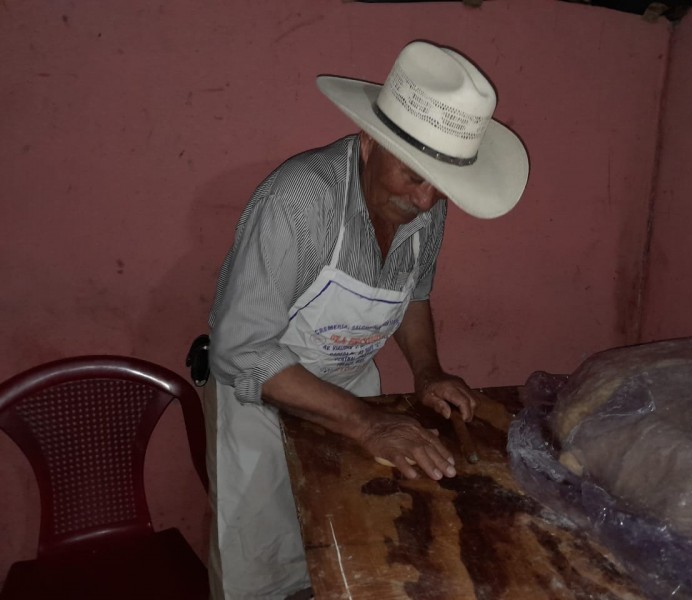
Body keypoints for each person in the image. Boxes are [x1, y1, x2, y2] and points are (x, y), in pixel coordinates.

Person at [204, 40, 529, 600]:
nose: (426, 201)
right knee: (260, 561)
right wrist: (367, 424)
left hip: (354, 389)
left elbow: (413, 296)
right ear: (369, 142)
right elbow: (243, 351)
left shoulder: (429, 207)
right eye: (413, 177)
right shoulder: (300, 200)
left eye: (440, 185)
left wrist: (427, 371)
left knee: (349, 543)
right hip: (260, 400)